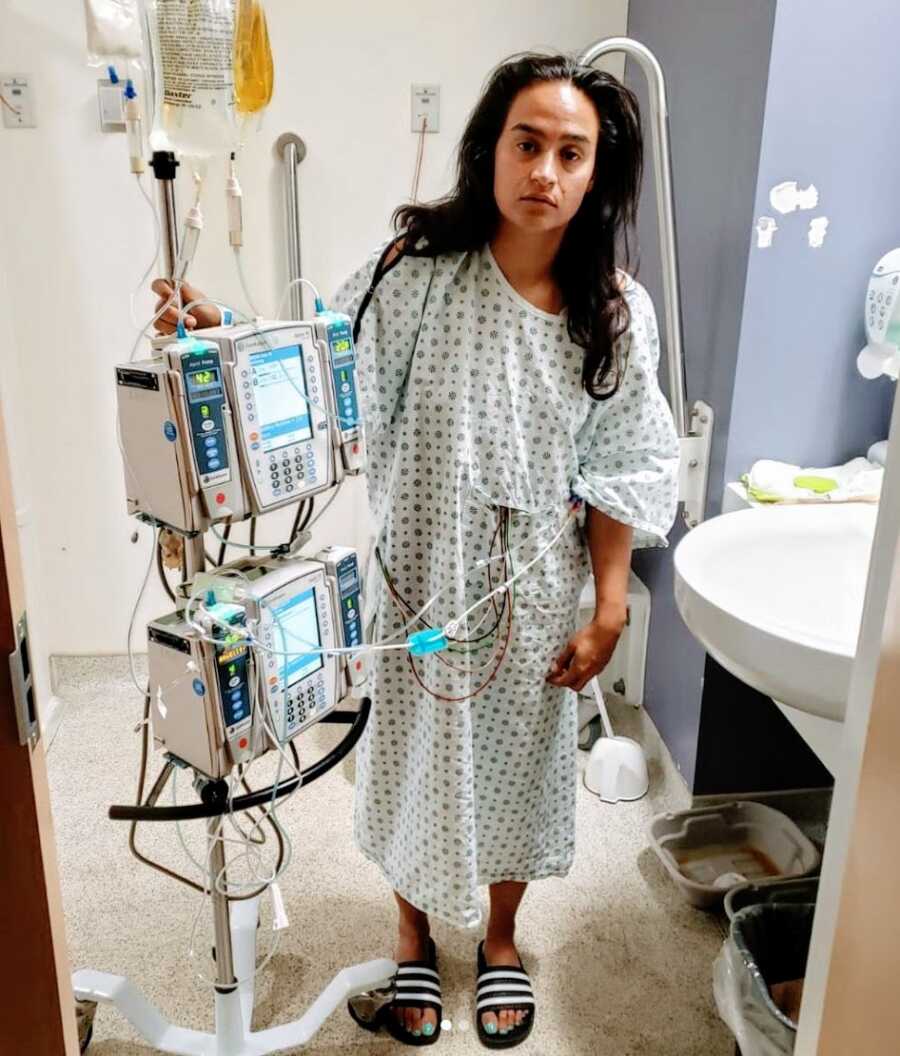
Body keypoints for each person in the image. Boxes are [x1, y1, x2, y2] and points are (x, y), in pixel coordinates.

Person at [153, 51, 679, 1051]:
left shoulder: (616, 312)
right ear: (492, 148)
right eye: (529, 143)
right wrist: (220, 328)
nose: (546, 171)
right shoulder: (415, 273)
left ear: (595, 175)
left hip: (534, 597)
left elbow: (627, 467)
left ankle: (502, 939)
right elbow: (318, 357)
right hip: (417, 587)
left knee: (520, 769)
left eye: (573, 153)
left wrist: (609, 604)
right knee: (414, 764)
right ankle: (409, 933)